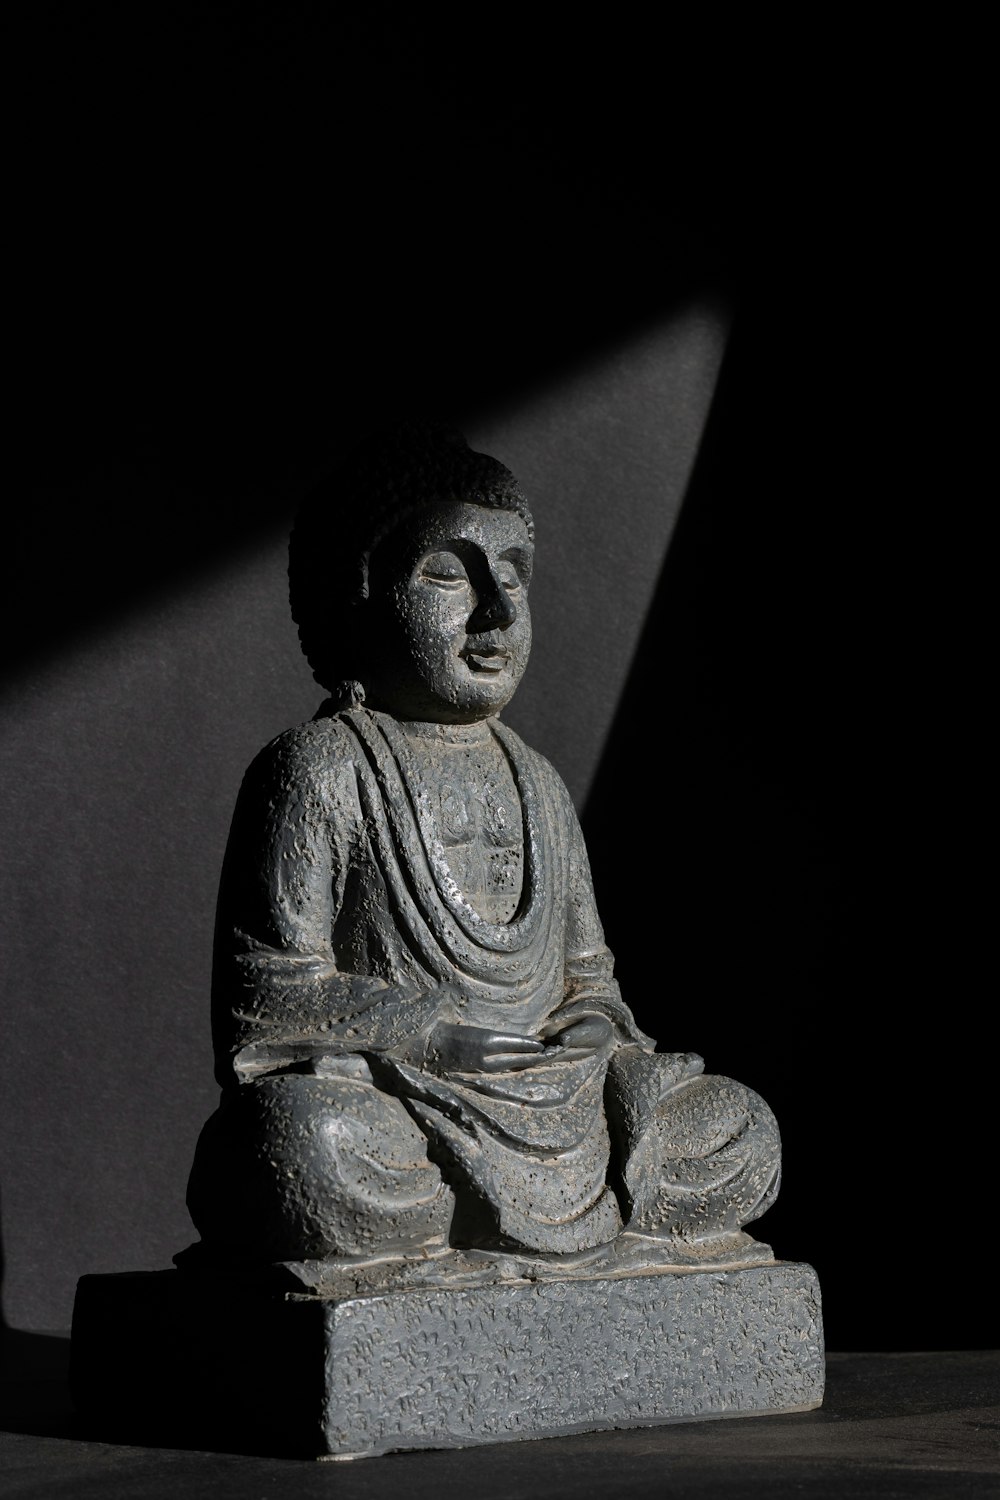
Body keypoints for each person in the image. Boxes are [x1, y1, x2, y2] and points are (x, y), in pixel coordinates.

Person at [183, 425, 781, 1286]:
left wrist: (592, 1026)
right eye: (447, 573)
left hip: (559, 1095)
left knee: (736, 1130)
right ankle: (430, 1226)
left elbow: (588, 975)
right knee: (305, 1145)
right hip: (411, 1102)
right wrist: (431, 1037)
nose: (494, 612)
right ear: (358, 592)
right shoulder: (320, 768)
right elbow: (266, 993)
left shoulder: (535, 780)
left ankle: (573, 1212)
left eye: (511, 577)